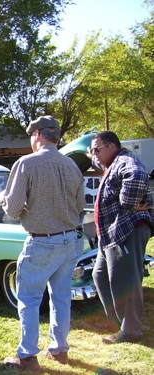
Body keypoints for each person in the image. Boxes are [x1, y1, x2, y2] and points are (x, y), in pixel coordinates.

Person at [2, 115, 85, 371]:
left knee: (28, 297)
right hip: (70, 240)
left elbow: (13, 209)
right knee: (61, 297)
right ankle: (59, 349)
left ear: (37, 135)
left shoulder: (26, 163)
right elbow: (80, 205)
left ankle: (27, 355)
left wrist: (18, 206)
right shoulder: (72, 165)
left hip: (41, 242)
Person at [89, 131, 153, 344]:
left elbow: (137, 175)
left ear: (112, 147)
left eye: (97, 149)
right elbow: (97, 161)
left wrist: (129, 202)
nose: (94, 154)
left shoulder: (125, 161)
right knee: (100, 276)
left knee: (124, 281)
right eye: (92, 150)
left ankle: (131, 331)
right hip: (110, 234)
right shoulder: (110, 162)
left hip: (127, 230)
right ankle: (117, 323)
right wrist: (86, 152)